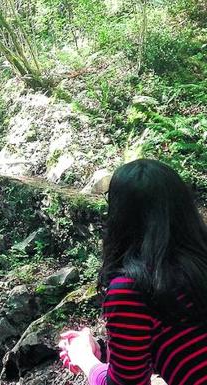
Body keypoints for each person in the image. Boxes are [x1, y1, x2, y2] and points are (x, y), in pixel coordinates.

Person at [58, 159, 207, 385]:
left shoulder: (132, 289)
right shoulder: (197, 263)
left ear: (120, 215)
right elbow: (180, 342)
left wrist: (85, 359)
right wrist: (104, 350)